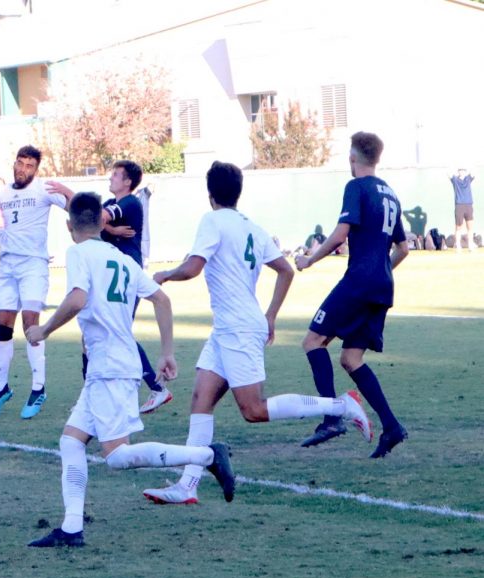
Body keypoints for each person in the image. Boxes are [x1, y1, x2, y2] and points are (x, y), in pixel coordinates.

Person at [141, 161, 370, 506]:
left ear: (210, 194)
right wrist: (271, 316)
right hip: (230, 328)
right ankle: (188, 485)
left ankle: (341, 405)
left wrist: (165, 275)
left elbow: (193, 267)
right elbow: (285, 271)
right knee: (200, 401)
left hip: (238, 329)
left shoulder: (213, 220)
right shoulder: (252, 227)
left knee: (254, 410)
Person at [24, 192, 236, 548]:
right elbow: (162, 299)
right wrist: (167, 352)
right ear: (102, 222)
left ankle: (208, 455)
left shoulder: (78, 253)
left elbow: (77, 298)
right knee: (70, 441)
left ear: (69, 225)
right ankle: (71, 528)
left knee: (117, 456)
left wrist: (43, 330)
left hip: (110, 367)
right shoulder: (121, 259)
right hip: (108, 368)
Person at [295, 132, 410, 459]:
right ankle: (391, 427)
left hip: (359, 281)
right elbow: (403, 249)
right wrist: (382, 271)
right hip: (382, 286)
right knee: (350, 359)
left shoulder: (355, 188)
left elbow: (340, 235)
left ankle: (332, 418)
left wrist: (309, 260)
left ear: (353, 157)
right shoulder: (391, 193)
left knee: (312, 341)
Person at [50, 162, 173, 414]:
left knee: (119, 332)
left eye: (116, 174)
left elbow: (95, 218)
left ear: (128, 182)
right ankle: (91, 396)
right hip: (110, 269)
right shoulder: (111, 202)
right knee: (89, 338)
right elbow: (90, 217)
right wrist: (110, 229)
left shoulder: (129, 203)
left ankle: (157, 388)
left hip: (126, 271)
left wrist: (66, 191)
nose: (111, 177)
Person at [0, 146, 68, 419]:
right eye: (20, 163)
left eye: (29, 165)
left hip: (33, 265)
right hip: (7, 266)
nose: (23, 169)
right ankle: (1, 389)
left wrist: (68, 192)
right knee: (2, 327)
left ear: (36, 169)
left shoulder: (44, 189)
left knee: (31, 324)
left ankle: (38, 387)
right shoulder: (2, 193)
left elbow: (76, 206)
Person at [450, 168, 475, 252]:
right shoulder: (455, 180)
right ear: (458, 172)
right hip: (459, 205)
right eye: (460, 170)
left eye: (464, 170)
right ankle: (458, 245)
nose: (462, 172)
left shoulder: (468, 179)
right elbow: (448, 173)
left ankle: (470, 245)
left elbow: (473, 172)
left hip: (468, 205)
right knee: (458, 227)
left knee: (470, 226)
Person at [135, 182, 154, 268]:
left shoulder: (143, 193)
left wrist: (141, 186)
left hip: (143, 236)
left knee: (143, 266)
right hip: (129, 236)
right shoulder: (123, 197)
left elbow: (152, 185)